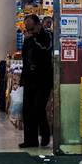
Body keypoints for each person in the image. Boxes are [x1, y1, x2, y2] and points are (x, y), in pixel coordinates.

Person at [19, 13, 55, 148]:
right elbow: (25, 56)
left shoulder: (47, 36)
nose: (29, 31)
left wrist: (32, 38)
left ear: (38, 25)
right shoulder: (28, 38)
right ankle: (30, 140)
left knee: (38, 108)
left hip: (43, 79)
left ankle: (45, 133)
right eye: (27, 29)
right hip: (29, 78)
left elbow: (45, 49)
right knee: (27, 110)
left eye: (31, 28)